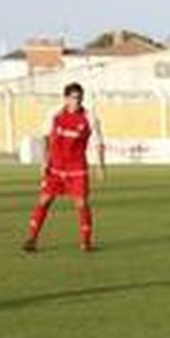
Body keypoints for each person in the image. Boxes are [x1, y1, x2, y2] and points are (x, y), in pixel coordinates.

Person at [22, 82, 106, 252]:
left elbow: (99, 143)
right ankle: (31, 238)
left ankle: (85, 242)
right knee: (44, 201)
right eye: (74, 98)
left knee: (81, 203)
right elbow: (46, 137)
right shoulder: (54, 114)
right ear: (66, 98)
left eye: (80, 98)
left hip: (77, 168)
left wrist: (100, 165)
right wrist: (45, 161)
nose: (78, 101)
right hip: (56, 167)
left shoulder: (90, 117)